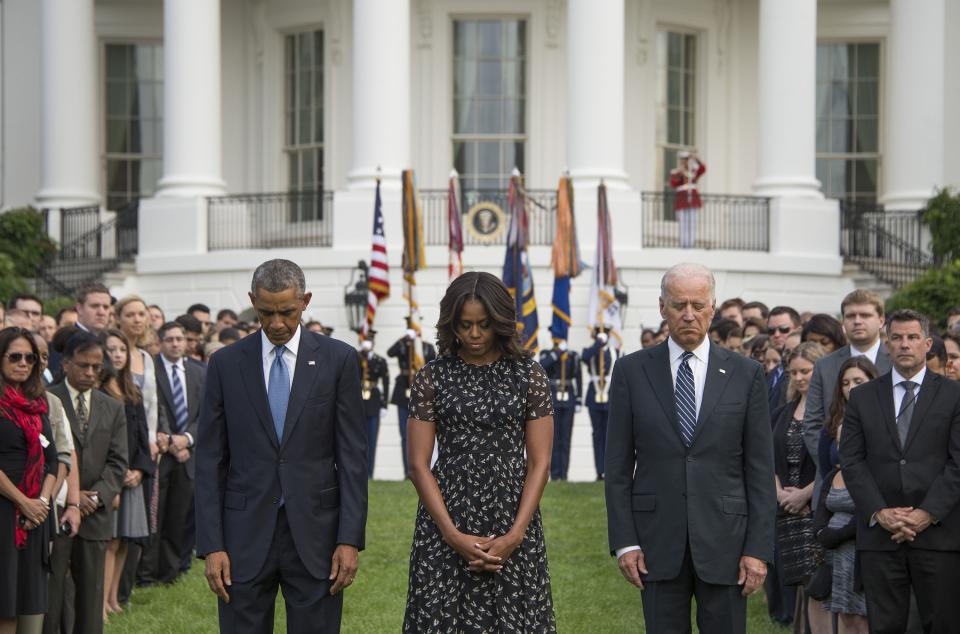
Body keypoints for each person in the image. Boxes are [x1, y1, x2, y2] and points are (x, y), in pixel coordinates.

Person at [196, 259, 367, 633]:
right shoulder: (224, 364)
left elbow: (352, 457)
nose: (276, 323)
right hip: (241, 536)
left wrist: (349, 539)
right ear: (252, 301)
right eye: (265, 312)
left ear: (305, 302)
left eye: (286, 312)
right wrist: (212, 545)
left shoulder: (338, 361)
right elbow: (209, 460)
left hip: (317, 537)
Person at [605, 263, 776, 634]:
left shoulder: (746, 375)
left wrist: (758, 549)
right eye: (678, 304)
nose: (688, 314)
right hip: (656, 542)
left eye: (698, 305)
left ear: (713, 307)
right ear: (661, 307)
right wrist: (624, 542)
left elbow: (760, 470)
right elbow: (617, 468)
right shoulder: (631, 372)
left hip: (727, 542)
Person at [403, 271, 555, 631]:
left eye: (483, 325)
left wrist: (516, 534)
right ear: (451, 323)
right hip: (445, 518)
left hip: (513, 515)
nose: (473, 334)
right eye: (465, 325)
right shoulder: (431, 377)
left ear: (500, 322)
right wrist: (452, 534)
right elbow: (418, 465)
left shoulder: (528, 375)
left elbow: (540, 462)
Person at [840, 309, 960, 633]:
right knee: (884, 626)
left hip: (939, 535)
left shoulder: (954, 395)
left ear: (928, 343)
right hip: (881, 537)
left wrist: (926, 514)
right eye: (897, 338)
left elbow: (957, 464)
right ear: (887, 344)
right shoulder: (863, 397)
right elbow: (851, 460)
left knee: (944, 624)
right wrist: (880, 512)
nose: (904, 344)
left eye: (912, 337)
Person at [47, 332, 127, 634]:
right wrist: (72, 495)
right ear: (66, 364)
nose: (91, 372)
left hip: (95, 514)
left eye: (96, 367)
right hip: (58, 510)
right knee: (53, 590)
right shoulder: (50, 400)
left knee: (91, 597)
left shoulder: (113, 406)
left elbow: (119, 461)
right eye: (83, 365)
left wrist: (96, 497)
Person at [803, 289, 891, 508]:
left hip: (887, 486)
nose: (857, 321)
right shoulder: (824, 366)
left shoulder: (896, 363)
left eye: (865, 315)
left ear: (881, 320)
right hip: (834, 483)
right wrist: (835, 465)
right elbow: (813, 424)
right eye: (851, 316)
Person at [812, 357, 878, 634]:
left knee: (864, 616)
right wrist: (822, 531)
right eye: (846, 382)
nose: (851, 388)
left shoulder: (882, 424)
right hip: (834, 545)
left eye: (859, 381)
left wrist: (841, 534)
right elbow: (826, 477)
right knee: (841, 613)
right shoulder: (833, 424)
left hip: (862, 536)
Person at [0, 328, 58, 634]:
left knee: (30, 599)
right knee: (5, 600)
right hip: (5, 513)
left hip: (35, 517)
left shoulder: (38, 405)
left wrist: (42, 504)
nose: (23, 363)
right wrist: (23, 502)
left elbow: (53, 460)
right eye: (15, 356)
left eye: (30, 358)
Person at [771, 342, 829, 633]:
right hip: (787, 511)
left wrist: (806, 493)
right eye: (793, 372)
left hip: (817, 508)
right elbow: (766, 456)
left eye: (806, 370)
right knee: (801, 586)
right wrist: (780, 492)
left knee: (817, 585)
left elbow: (835, 461)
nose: (799, 377)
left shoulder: (831, 412)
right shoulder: (783, 412)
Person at [98, 330, 152, 620]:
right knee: (109, 541)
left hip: (132, 475)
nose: (117, 354)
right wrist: (117, 475)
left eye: (122, 349)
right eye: (111, 349)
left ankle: (113, 597)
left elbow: (143, 436)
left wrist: (140, 470)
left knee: (124, 541)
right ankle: (101, 605)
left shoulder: (133, 391)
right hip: (110, 476)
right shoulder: (99, 390)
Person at [153, 322, 204, 583]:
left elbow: (203, 413)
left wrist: (187, 440)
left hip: (189, 454)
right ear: (160, 342)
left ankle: (171, 571)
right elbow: (154, 407)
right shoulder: (151, 368)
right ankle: (148, 570)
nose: (175, 343)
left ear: (186, 342)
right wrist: (172, 442)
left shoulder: (198, 372)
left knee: (179, 516)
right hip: (161, 452)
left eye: (179, 339)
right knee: (156, 515)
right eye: (170, 339)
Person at [386, 323, 437, 476]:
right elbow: (390, 352)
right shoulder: (403, 345)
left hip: (422, 391)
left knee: (423, 434)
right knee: (404, 434)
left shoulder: (426, 347)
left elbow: (433, 363)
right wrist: (404, 340)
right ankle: (406, 470)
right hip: (403, 390)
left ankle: (425, 469)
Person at [539, 337, 582, 481]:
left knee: (566, 437)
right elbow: (542, 365)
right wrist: (557, 353)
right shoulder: (547, 353)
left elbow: (578, 376)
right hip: (553, 397)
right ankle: (555, 473)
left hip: (568, 396)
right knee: (554, 438)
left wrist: (578, 398)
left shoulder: (573, 355)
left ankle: (564, 474)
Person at [582, 326, 617, 480]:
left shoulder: (615, 351)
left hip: (610, 395)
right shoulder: (590, 351)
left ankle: (610, 469)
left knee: (611, 435)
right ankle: (599, 470)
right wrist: (598, 344)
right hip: (594, 396)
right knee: (597, 434)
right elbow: (584, 358)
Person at [357, 331, 388, 479]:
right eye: (364, 340)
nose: (367, 343)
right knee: (357, 439)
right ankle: (359, 471)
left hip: (374, 401)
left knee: (372, 438)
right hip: (357, 400)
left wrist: (384, 404)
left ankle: (370, 473)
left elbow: (386, 382)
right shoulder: (355, 357)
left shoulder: (379, 360)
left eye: (369, 340)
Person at [670, 151, 706, 248]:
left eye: (686, 160)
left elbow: (703, 169)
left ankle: (691, 244)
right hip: (682, 200)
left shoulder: (693, 171)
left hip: (692, 199)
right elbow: (673, 184)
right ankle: (684, 244)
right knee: (683, 223)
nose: (684, 162)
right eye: (682, 160)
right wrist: (679, 174)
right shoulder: (676, 172)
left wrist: (696, 159)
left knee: (692, 223)